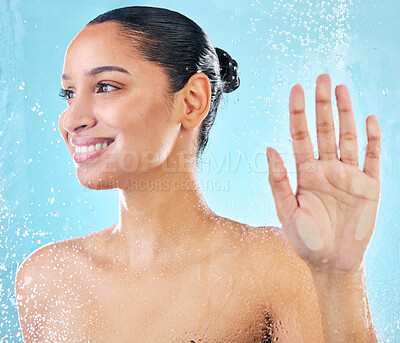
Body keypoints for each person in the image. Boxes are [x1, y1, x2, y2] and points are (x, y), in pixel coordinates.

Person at [14, 6, 381, 342]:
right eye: (68, 93)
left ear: (191, 102)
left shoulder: (271, 268)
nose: (71, 120)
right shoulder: (45, 279)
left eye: (106, 86)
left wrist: (339, 278)